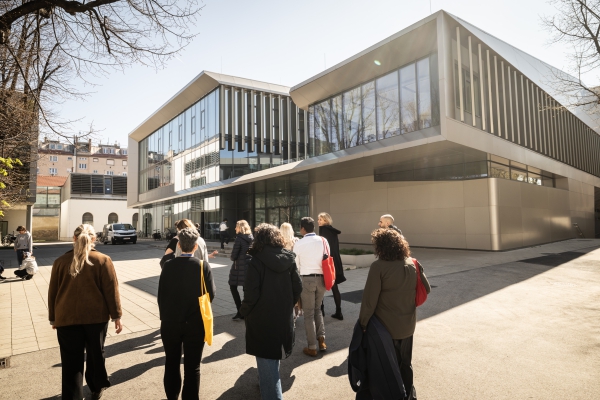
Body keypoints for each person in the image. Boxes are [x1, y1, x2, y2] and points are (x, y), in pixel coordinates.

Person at [48, 224, 123, 400]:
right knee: (96, 355)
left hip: (66, 318)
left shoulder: (60, 261)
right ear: (94, 239)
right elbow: (111, 291)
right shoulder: (103, 260)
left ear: (74, 238)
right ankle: (96, 388)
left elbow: (53, 293)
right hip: (96, 318)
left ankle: (73, 396)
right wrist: (116, 316)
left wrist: (53, 318)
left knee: (70, 362)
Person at [359, 228, 430, 400]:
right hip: (408, 325)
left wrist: (363, 324)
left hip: (385, 328)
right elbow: (426, 288)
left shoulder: (378, 267)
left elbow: (369, 301)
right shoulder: (412, 263)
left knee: (387, 368)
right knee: (405, 364)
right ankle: (409, 395)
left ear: (380, 247)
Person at [240, 224, 302, 400]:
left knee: (267, 359)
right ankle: (265, 382)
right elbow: (297, 287)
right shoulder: (288, 258)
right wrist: (288, 303)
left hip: (261, 318)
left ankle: (270, 390)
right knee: (272, 358)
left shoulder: (255, 261)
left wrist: (244, 311)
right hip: (282, 315)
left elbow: (251, 294)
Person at [158, 227, 215, 400]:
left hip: (171, 323)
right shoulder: (202, 266)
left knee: (171, 362)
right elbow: (211, 294)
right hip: (196, 323)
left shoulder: (168, 266)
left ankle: (172, 397)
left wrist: (165, 317)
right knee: (193, 367)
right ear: (196, 246)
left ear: (179, 245)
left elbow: (161, 295)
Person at [293, 217, 329, 357]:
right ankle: (322, 341)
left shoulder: (299, 243)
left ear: (303, 228)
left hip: (307, 279)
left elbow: (296, 266)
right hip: (322, 279)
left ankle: (312, 346)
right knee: (317, 310)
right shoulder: (323, 240)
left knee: (308, 314)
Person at [318, 212, 346, 320]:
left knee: (321, 286)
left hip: (327, 262)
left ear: (325, 220)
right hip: (334, 261)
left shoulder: (324, 230)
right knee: (334, 287)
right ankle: (339, 312)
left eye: (320, 219)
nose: (318, 221)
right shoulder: (332, 231)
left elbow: (323, 248)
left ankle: (321, 311)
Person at [229, 220, 253, 321]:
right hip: (249, 267)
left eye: (236, 226)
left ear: (240, 227)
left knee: (233, 286)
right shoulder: (251, 238)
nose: (235, 228)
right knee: (245, 289)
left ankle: (240, 311)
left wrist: (233, 257)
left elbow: (233, 256)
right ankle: (246, 311)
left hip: (238, 267)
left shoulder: (239, 239)